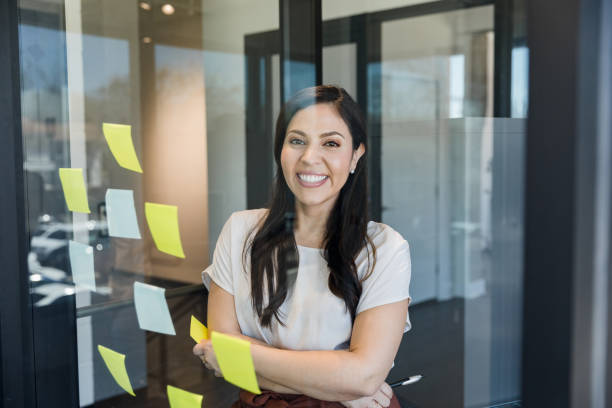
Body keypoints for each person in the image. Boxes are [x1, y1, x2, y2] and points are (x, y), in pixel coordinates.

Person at [194, 85, 412, 408]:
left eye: (331, 143)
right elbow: (222, 350)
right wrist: (341, 385)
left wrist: (243, 356)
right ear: (280, 150)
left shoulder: (384, 248)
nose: (310, 158)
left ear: (356, 155)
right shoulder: (240, 232)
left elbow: (363, 377)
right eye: (297, 140)